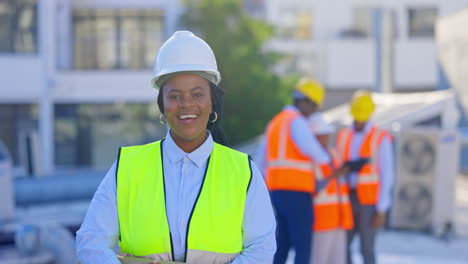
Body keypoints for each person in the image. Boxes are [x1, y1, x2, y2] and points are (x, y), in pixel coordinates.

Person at [76, 31, 276, 264]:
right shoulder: (128, 167)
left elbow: (262, 248)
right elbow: (90, 241)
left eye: (197, 94)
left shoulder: (243, 171)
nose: (187, 104)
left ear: (213, 103)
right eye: (175, 96)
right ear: (162, 106)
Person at [257, 78, 347, 264]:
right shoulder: (297, 122)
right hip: (297, 192)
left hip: (276, 192)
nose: (314, 112)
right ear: (305, 102)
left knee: (282, 244)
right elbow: (314, 151)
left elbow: (261, 160)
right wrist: (332, 166)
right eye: (314, 107)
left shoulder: (275, 123)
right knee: (303, 247)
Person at [335, 90, 394, 264]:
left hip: (369, 202)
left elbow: (387, 174)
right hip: (347, 198)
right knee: (343, 245)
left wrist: (382, 209)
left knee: (367, 248)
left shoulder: (380, 138)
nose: (358, 120)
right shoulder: (344, 135)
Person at [308, 112, 353, 264]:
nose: (327, 137)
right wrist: (335, 175)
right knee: (318, 260)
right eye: (324, 134)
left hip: (340, 219)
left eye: (328, 134)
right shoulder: (310, 158)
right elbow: (312, 186)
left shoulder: (333, 153)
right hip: (322, 221)